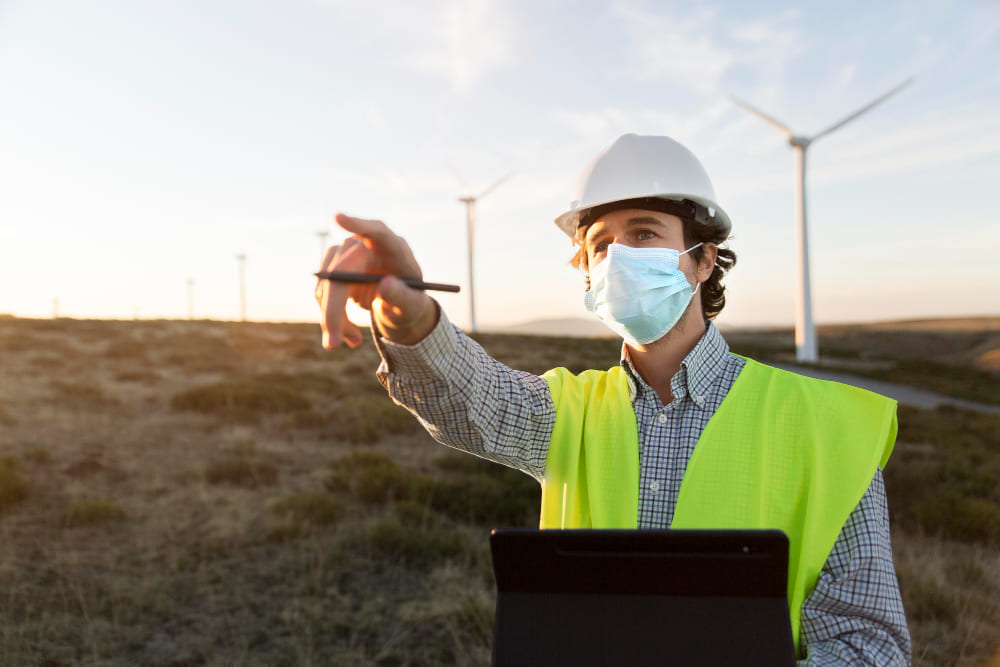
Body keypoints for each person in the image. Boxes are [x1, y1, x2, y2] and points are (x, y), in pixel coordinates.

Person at [315, 134, 911, 665]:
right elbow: (474, 401)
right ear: (587, 275)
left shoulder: (829, 428)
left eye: (645, 233)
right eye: (600, 244)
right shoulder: (566, 411)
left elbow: (868, 647)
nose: (618, 257)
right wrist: (408, 313)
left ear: (703, 260)